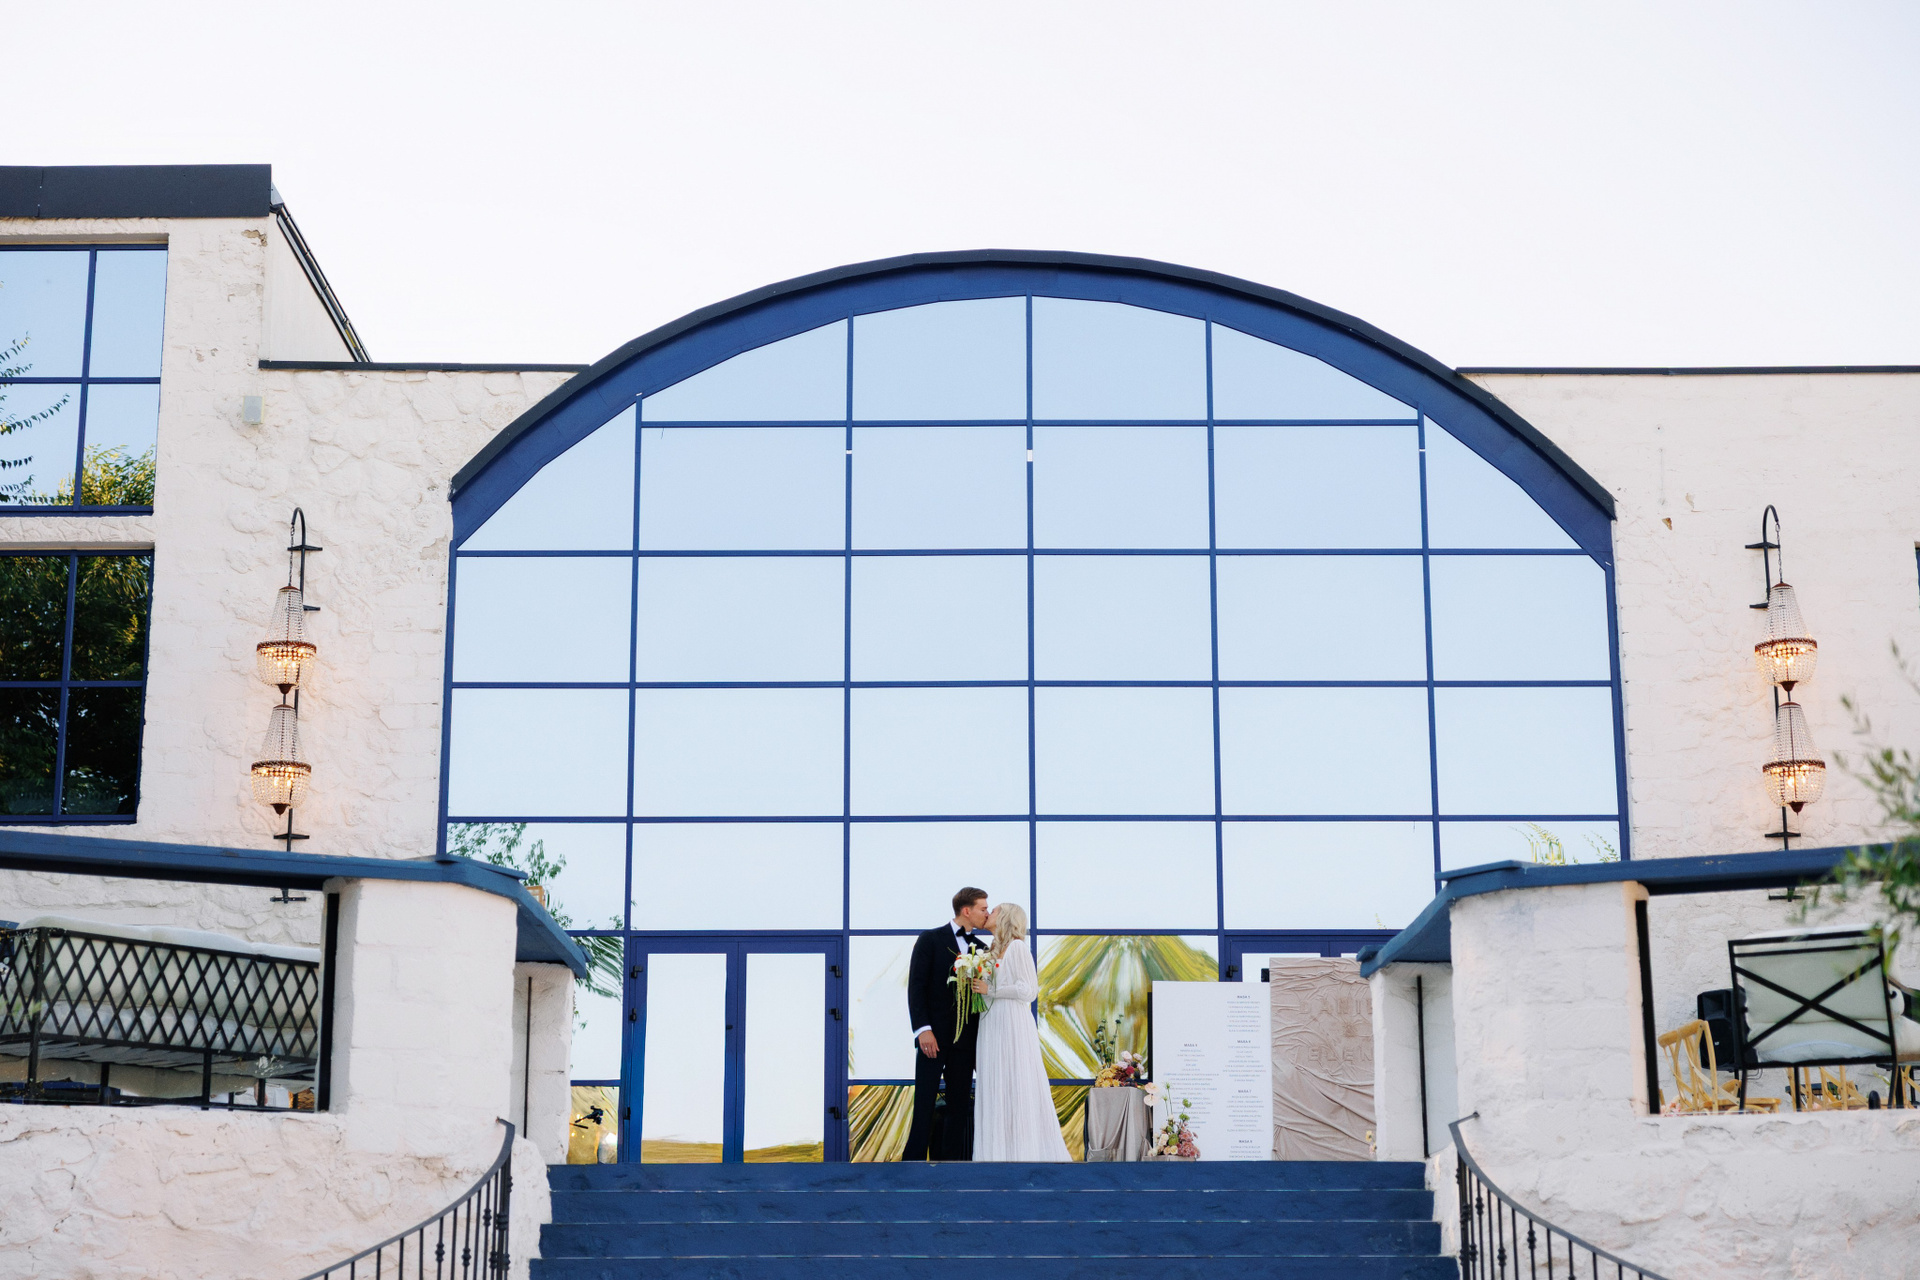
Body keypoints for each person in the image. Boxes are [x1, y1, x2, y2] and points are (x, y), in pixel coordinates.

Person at [972, 902, 1072, 1162]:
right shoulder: (992, 951)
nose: (989, 913)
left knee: (1015, 1080)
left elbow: (1028, 990)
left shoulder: (1017, 948)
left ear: (1006, 917)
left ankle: (1023, 1153)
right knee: (996, 1083)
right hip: (991, 1023)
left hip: (1012, 1024)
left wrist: (990, 990)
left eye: (994, 910)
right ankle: (996, 1154)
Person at [903, 886, 991, 1161]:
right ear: (966, 910)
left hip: (966, 1042)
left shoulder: (983, 949)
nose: (987, 914)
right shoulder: (930, 939)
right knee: (924, 1102)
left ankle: (951, 1167)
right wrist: (923, 1030)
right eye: (983, 908)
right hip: (932, 1038)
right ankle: (912, 1165)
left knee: (959, 1107)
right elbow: (916, 987)